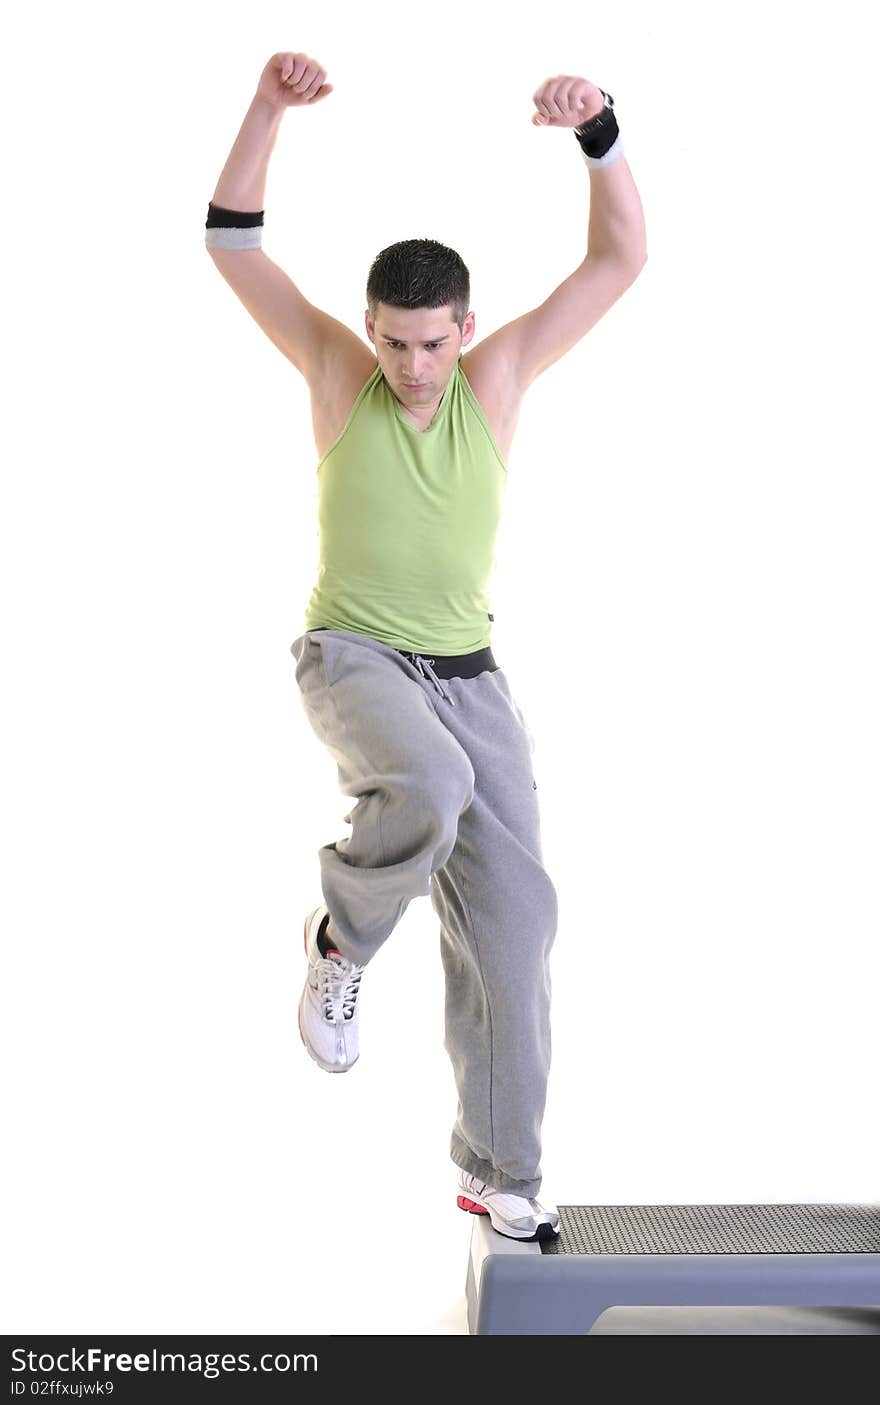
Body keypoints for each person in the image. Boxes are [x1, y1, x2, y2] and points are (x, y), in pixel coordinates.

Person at [205, 51, 647, 1243]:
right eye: (393, 343)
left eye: (430, 344)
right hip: (352, 657)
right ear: (370, 330)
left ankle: (502, 1172)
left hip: (473, 680)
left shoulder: (495, 377)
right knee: (429, 788)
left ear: (464, 327)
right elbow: (234, 244)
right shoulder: (336, 374)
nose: (410, 368)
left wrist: (598, 128)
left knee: (517, 922)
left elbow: (618, 262)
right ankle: (342, 933)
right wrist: (266, 109)